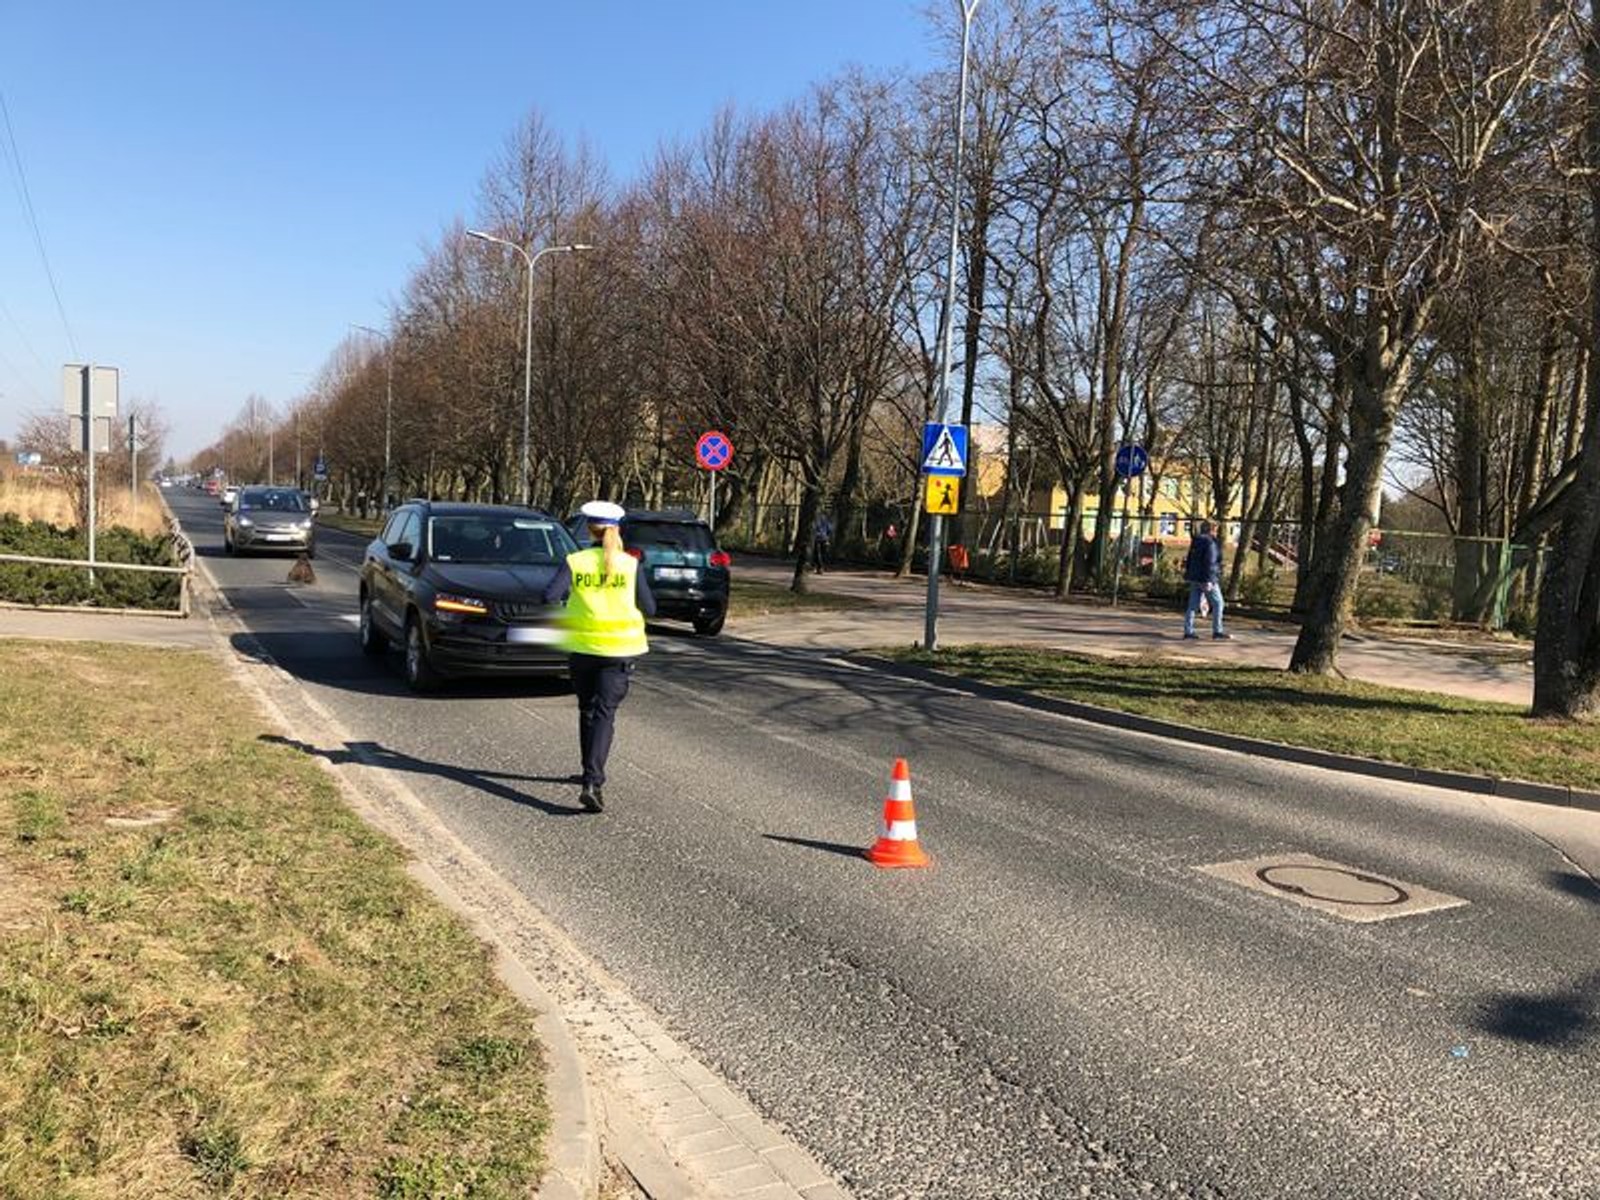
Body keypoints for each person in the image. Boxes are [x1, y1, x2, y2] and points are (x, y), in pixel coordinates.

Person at [542, 500, 656, 811]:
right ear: (617, 529)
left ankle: (587, 773)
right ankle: (593, 781)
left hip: (582, 648)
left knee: (587, 709)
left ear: (589, 528)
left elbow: (549, 595)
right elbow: (651, 608)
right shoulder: (630, 564)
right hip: (619, 650)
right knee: (605, 713)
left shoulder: (575, 561)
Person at [1183, 519, 1230, 640]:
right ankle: (1217, 631)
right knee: (1218, 603)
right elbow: (1211, 562)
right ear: (1212, 529)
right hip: (1207, 578)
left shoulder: (1196, 541)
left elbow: (1190, 559)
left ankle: (1188, 631)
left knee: (1192, 605)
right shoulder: (1211, 543)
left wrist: (1189, 574)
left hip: (1195, 577)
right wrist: (1210, 579)